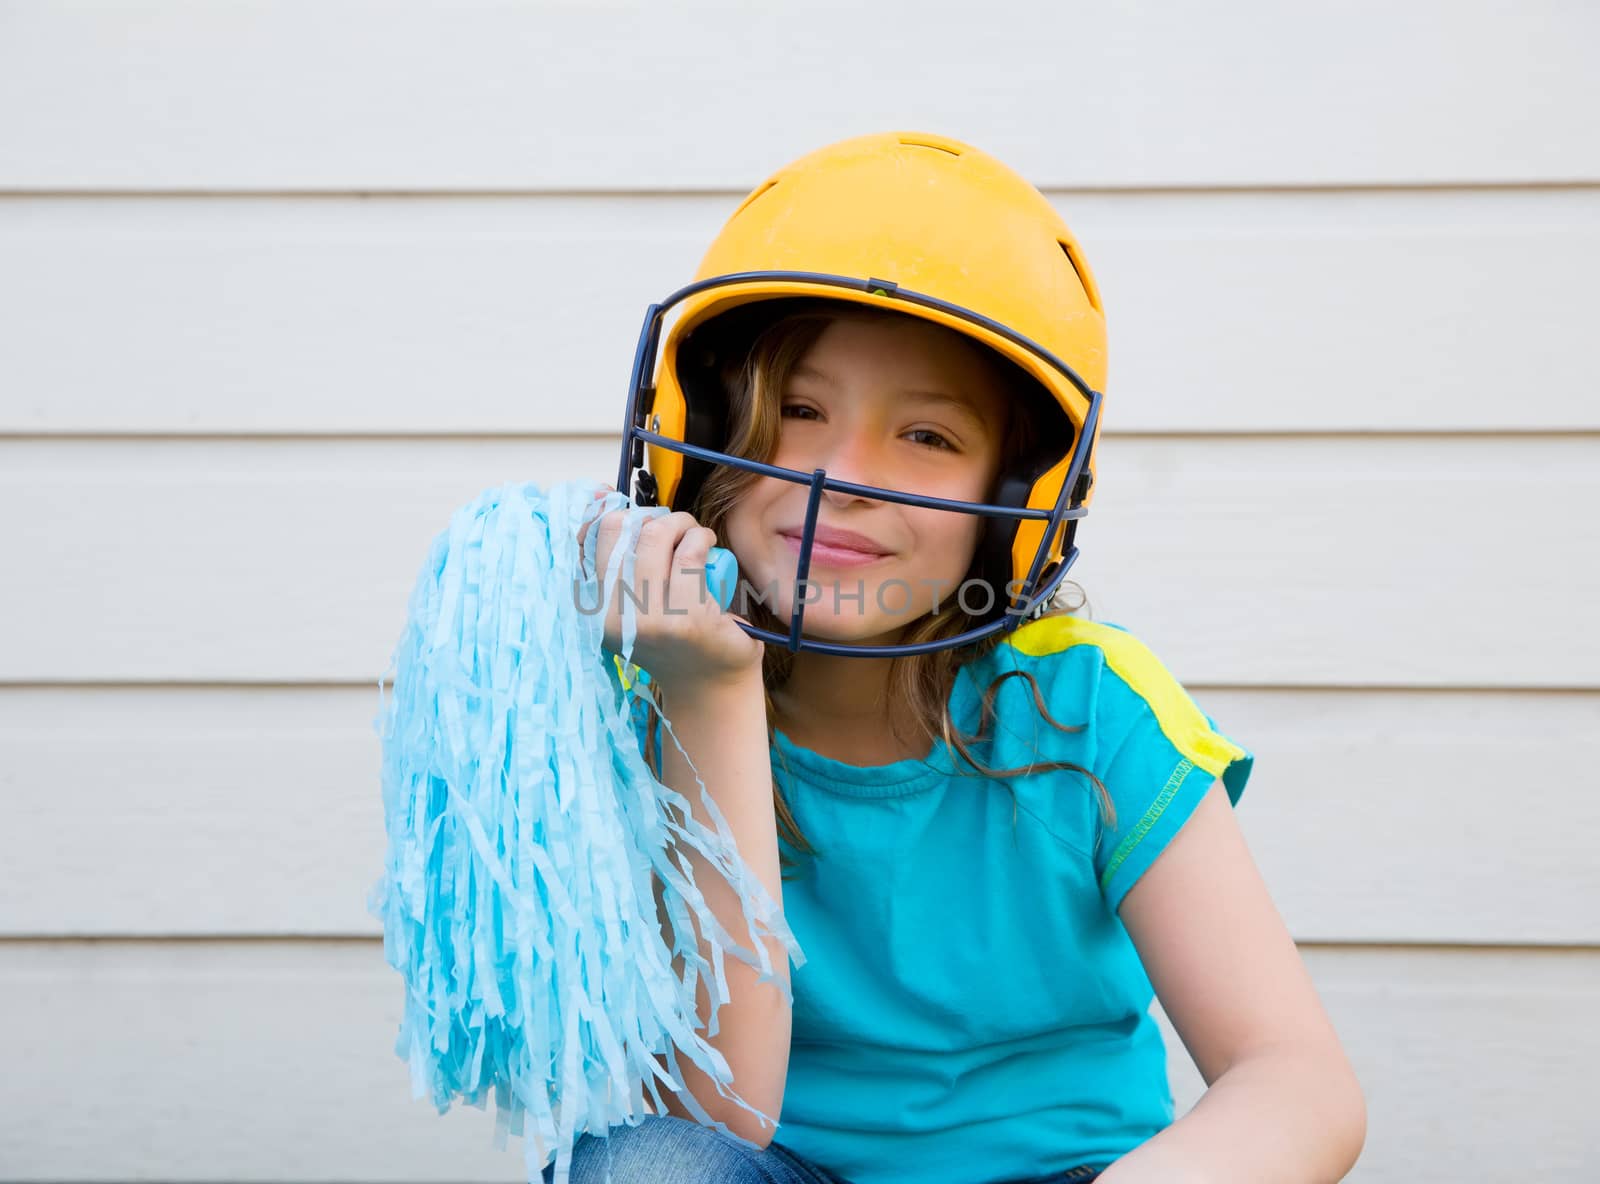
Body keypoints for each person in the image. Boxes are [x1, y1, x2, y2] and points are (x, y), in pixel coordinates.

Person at [554, 132, 1366, 1184]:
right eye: (799, 411)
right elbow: (719, 1118)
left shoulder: (1084, 699)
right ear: (703, 426)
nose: (843, 475)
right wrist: (708, 690)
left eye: (927, 436)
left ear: (1016, 500)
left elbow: (1298, 1078)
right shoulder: (648, 693)